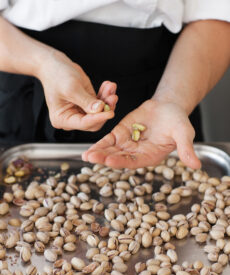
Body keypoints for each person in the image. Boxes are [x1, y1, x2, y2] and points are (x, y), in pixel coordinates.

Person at [0, 1, 230, 170]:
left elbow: (217, 14)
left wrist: (172, 100)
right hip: (24, 77)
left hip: (168, 86)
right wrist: (43, 64)